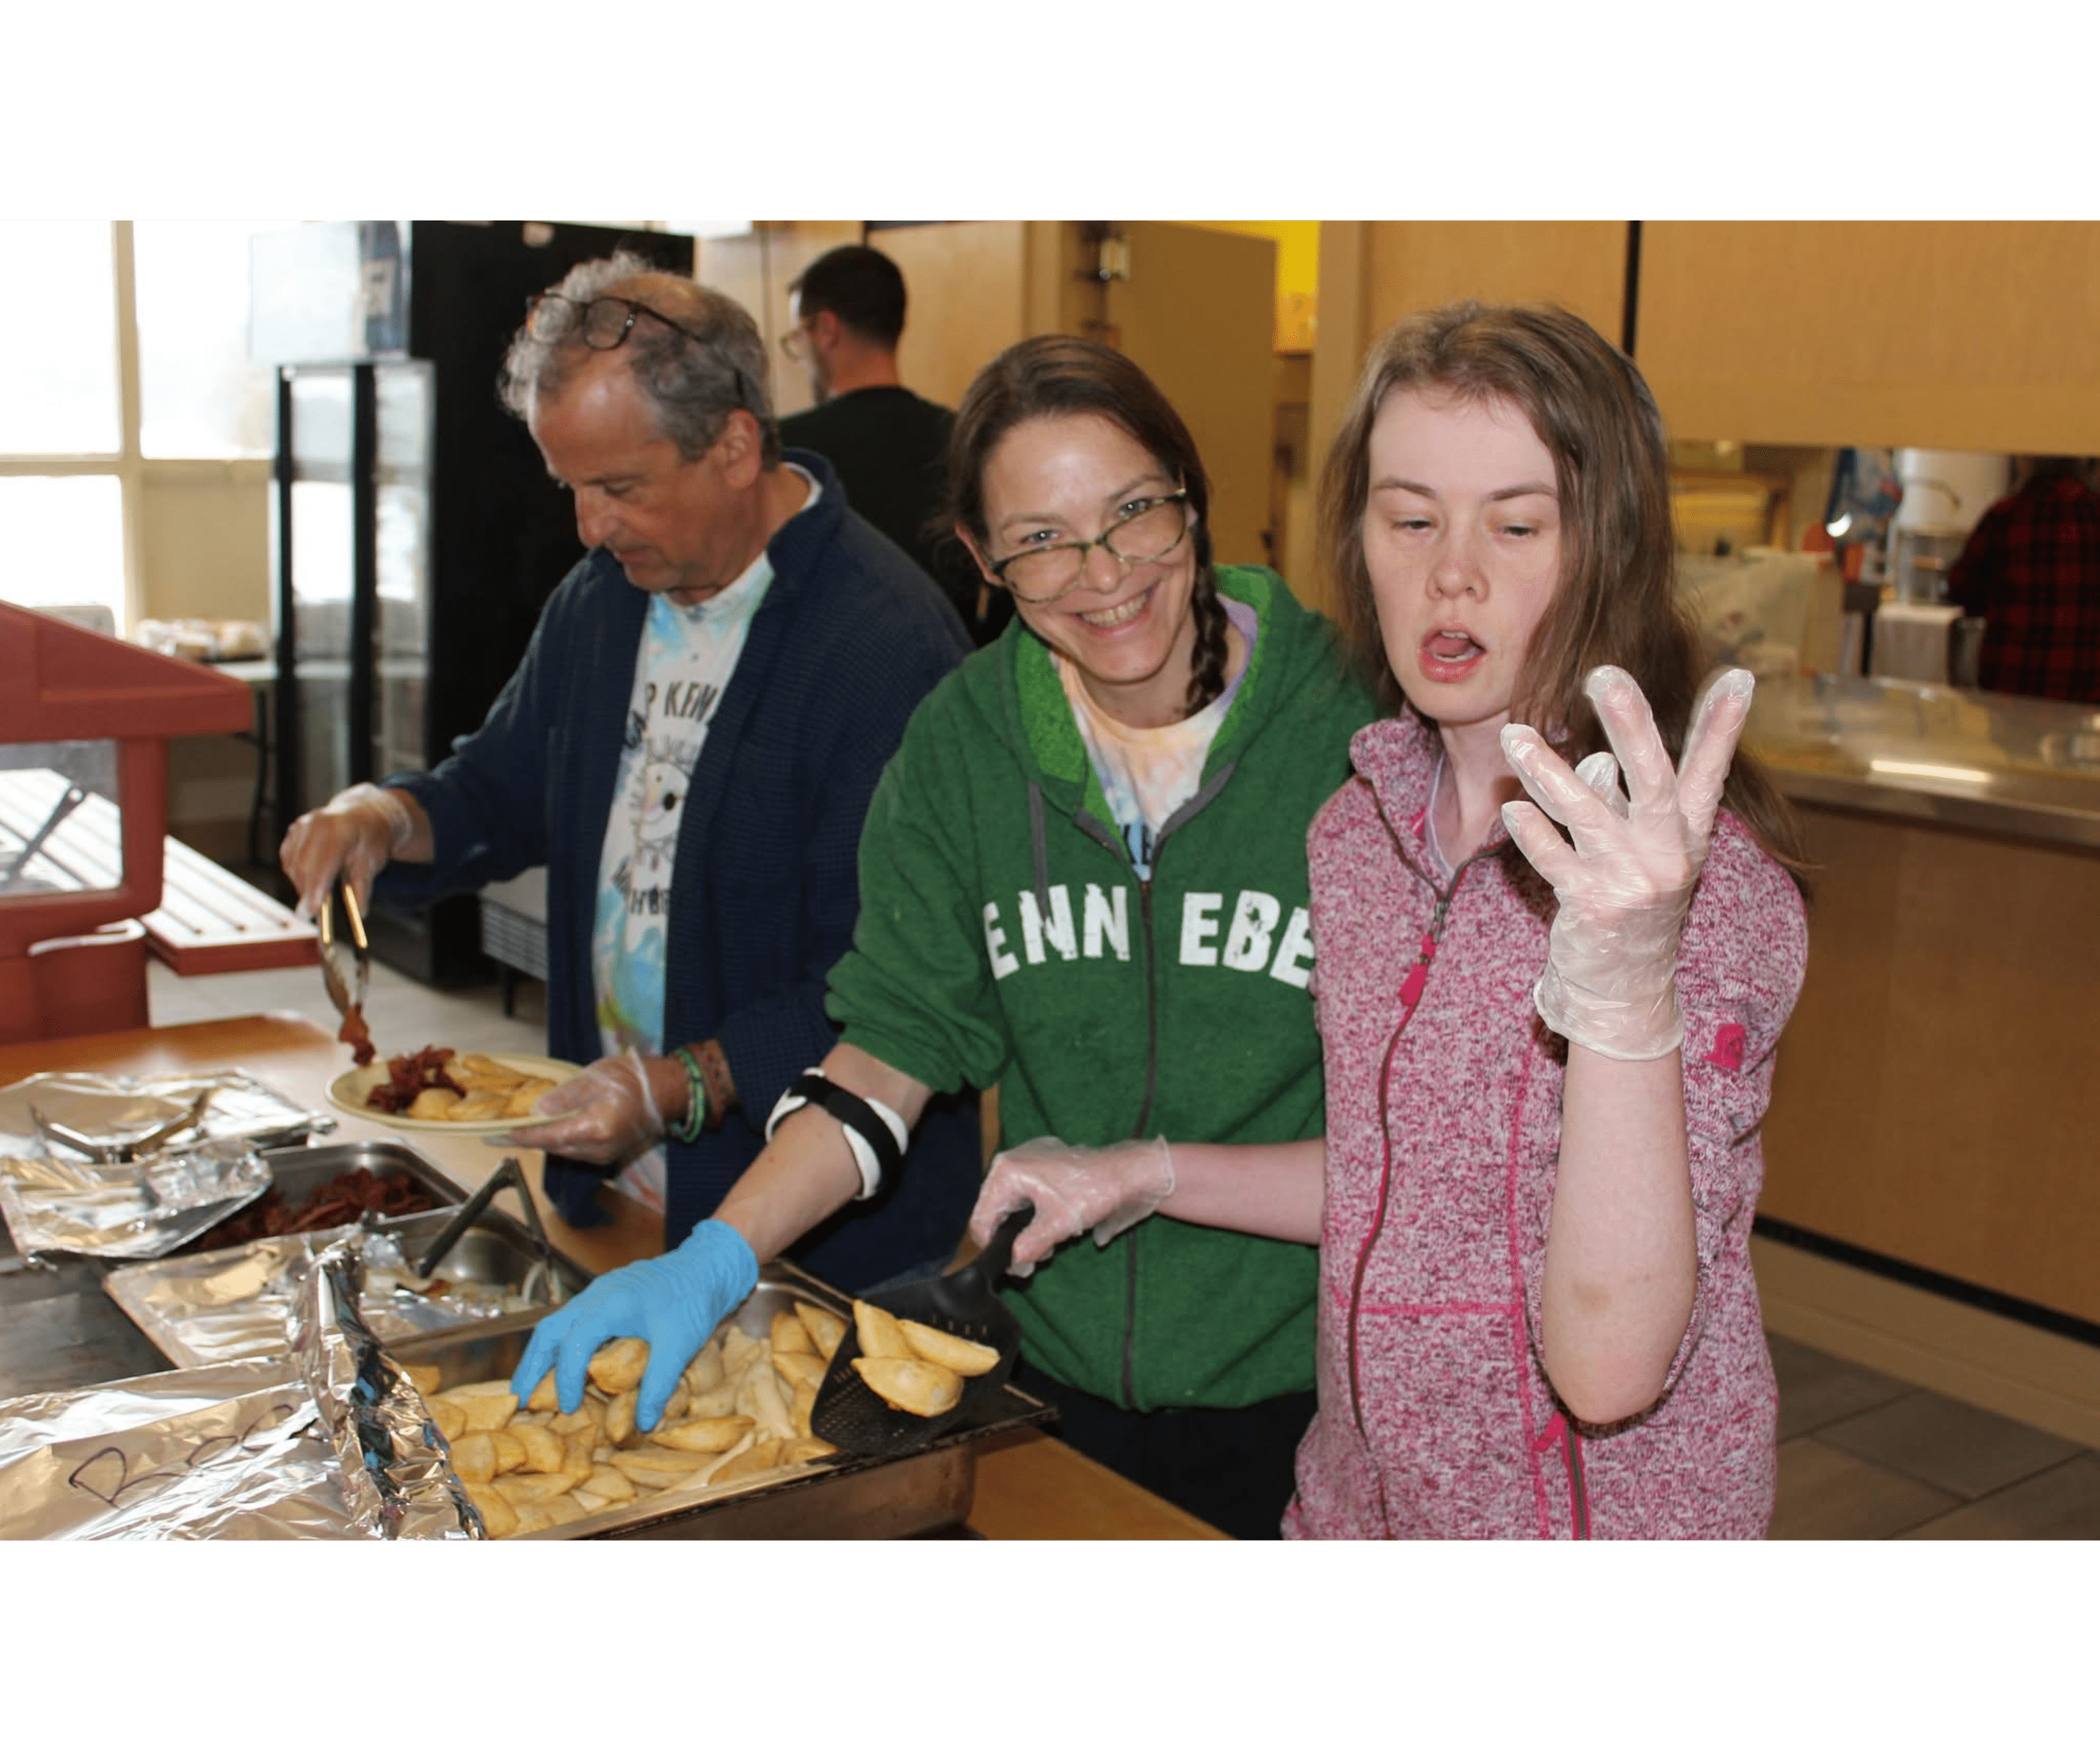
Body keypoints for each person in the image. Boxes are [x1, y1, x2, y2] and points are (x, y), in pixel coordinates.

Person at [510, 335, 1380, 1538]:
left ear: (1191, 493)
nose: (1100, 573)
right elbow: (889, 1055)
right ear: (980, 557)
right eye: (1037, 539)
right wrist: (714, 1256)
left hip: (1321, 1388)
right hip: (1043, 1370)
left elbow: (1444, 1139)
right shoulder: (964, 745)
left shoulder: (1356, 729)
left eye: (1134, 511)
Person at [971, 304, 1813, 1539]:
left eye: (1515, 524)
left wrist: (1626, 989)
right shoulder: (1359, 834)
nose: (1450, 573)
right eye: (1408, 518)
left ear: (1608, 547)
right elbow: (1403, 1189)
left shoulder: (1690, 889)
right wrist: (1138, 1172)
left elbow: (1610, 1365)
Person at [279, 252, 980, 1294]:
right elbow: (502, 787)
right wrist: (382, 815)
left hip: (814, 1236)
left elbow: (890, 988)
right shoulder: (602, 600)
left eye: (618, 487)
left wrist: (674, 1085)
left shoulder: (883, 647)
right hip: (616, 1185)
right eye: (571, 488)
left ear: (735, 445)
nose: (590, 527)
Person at [777, 243, 1010, 647]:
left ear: (827, 330)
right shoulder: (965, 440)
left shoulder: (790, 454)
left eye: (801, 334)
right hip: (947, 677)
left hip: (830, 678)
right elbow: (1007, 580)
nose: (801, 355)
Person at [1949, 454, 2100, 701]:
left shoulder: (2006, 515)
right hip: (2084, 689)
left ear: (2027, 461)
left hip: (2011, 683)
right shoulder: (2095, 514)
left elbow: (1961, 588)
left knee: (2011, 738)